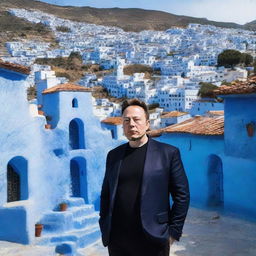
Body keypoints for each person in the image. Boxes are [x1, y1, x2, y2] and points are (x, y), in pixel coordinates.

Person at [99, 98, 190, 256]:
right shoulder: (113, 156)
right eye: (126, 120)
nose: (131, 124)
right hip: (118, 240)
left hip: (153, 238)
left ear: (147, 123)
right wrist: (105, 226)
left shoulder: (168, 154)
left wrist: (173, 232)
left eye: (136, 119)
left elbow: (182, 196)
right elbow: (106, 195)